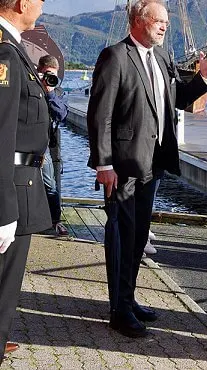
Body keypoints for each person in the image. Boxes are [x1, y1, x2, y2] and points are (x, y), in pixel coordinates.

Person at [87, 0, 207, 338]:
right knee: (120, 237)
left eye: (166, 21)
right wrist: (103, 164)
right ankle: (118, 311)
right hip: (122, 166)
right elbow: (99, 114)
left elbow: (175, 98)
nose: (164, 26)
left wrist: (203, 76)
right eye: (158, 20)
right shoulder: (115, 57)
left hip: (153, 165)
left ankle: (128, 300)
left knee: (139, 237)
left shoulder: (161, 58)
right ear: (137, 20)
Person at [0, 0, 52, 364]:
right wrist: (3, 209)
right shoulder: (4, 51)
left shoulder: (11, 47)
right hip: (12, 188)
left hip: (20, 183)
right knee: (2, 291)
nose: (43, 6)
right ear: (21, 4)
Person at [38, 54, 69, 236]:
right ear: (40, 71)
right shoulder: (30, 86)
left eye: (54, 76)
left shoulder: (57, 92)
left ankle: (55, 220)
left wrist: (49, 92)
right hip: (27, 141)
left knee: (50, 183)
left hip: (46, 144)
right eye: (47, 74)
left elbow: (62, 115)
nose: (50, 79)